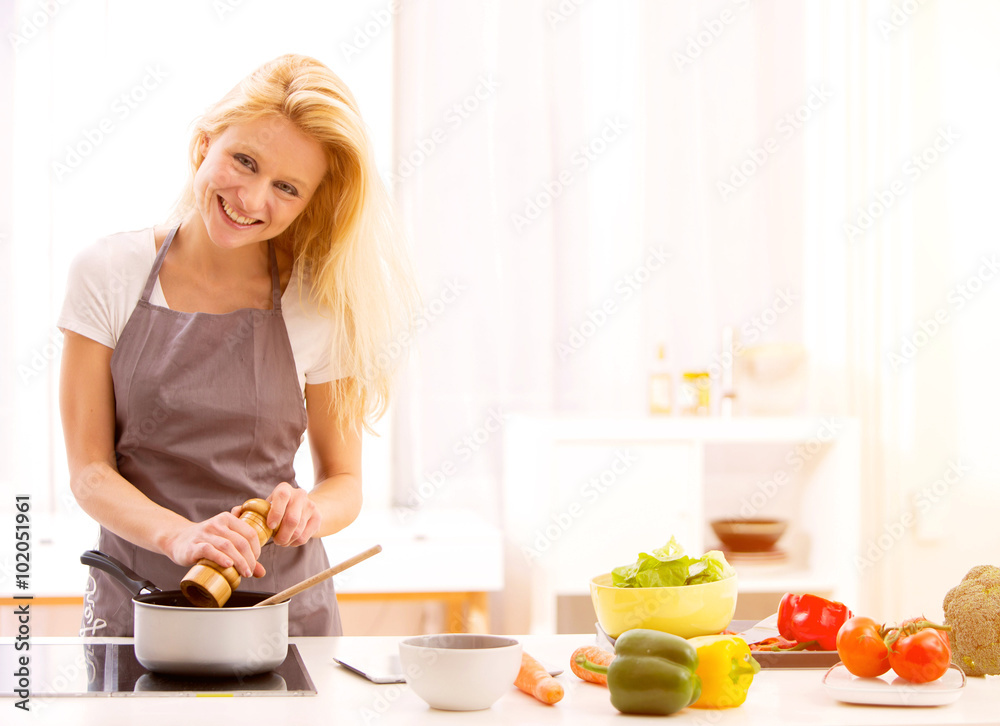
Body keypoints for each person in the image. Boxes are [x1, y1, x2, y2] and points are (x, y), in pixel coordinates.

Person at [57, 54, 417, 636]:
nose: (251, 198)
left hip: (281, 611)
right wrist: (179, 536)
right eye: (243, 161)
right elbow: (90, 472)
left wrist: (309, 511)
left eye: (286, 187)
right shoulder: (107, 272)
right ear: (205, 144)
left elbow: (344, 483)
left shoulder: (317, 301)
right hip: (142, 605)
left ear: (308, 204)